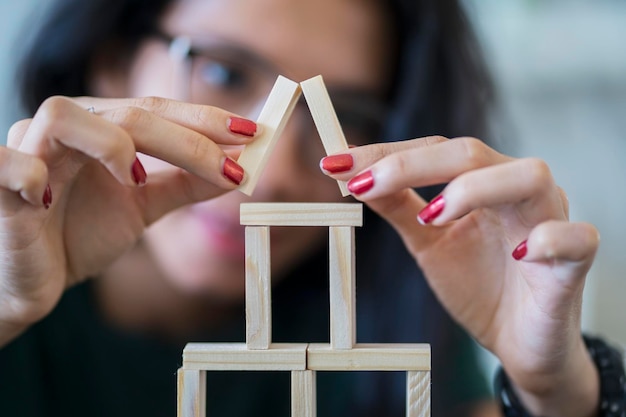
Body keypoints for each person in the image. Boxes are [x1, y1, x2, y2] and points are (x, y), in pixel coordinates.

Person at [0, 0, 614, 416]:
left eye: (338, 115)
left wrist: (557, 393)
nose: (272, 180)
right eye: (221, 70)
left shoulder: (384, 310)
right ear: (111, 61)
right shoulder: (12, 270)